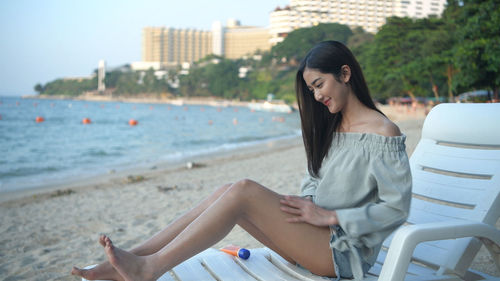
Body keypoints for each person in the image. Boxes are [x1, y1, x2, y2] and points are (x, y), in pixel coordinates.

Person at [72, 41, 412, 281]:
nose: (317, 96)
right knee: (227, 189)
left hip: (341, 253)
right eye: (310, 90)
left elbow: (396, 209)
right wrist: (307, 208)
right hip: (312, 237)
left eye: (319, 84)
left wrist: (330, 215)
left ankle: (148, 269)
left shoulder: (383, 132)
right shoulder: (334, 127)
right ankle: (136, 256)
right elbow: (315, 183)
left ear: (345, 74)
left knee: (244, 191)